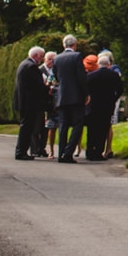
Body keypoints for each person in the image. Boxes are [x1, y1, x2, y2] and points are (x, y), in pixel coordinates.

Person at [51, 34, 88, 163]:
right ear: (74, 45)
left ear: (64, 45)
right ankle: (68, 152)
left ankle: (61, 153)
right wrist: (86, 94)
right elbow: (81, 77)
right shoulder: (76, 56)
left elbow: (56, 76)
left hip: (62, 96)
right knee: (78, 124)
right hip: (76, 96)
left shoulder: (56, 58)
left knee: (63, 125)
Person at [83, 52, 124, 162]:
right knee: (103, 129)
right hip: (107, 106)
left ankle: (89, 151)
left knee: (91, 130)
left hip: (93, 106)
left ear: (98, 64)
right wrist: (113, 99)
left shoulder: (90, 76)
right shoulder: (114, 75)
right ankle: (98, 152)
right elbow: (120, 90)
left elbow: (85, 90)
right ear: (109, 64)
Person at [12, 46, 49, 160]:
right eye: (41, 56)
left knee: (26, 127)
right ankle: (21, 152)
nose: (42, 59)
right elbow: (37, 85)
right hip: (29, 103)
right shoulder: (31, 67)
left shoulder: (24, 64)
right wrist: (48, 88)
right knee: (27, 128)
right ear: (35, 56)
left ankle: (21, 150)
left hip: (23, 101)